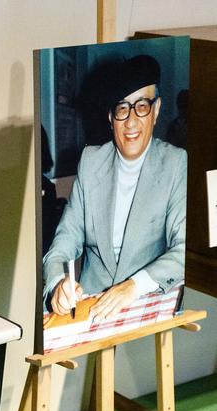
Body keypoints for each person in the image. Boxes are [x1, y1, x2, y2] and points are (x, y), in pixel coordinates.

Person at [43, 54, 186, 322]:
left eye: (141, 106)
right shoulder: (90, 161)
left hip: (147, 304)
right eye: (122, 108)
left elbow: (183, 249)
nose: (131, 122)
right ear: (111, 117)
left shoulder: (177, 163)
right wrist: (58, 283)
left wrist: (133, 287)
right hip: (90, 307)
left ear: (156, 111)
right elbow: (64, 241)